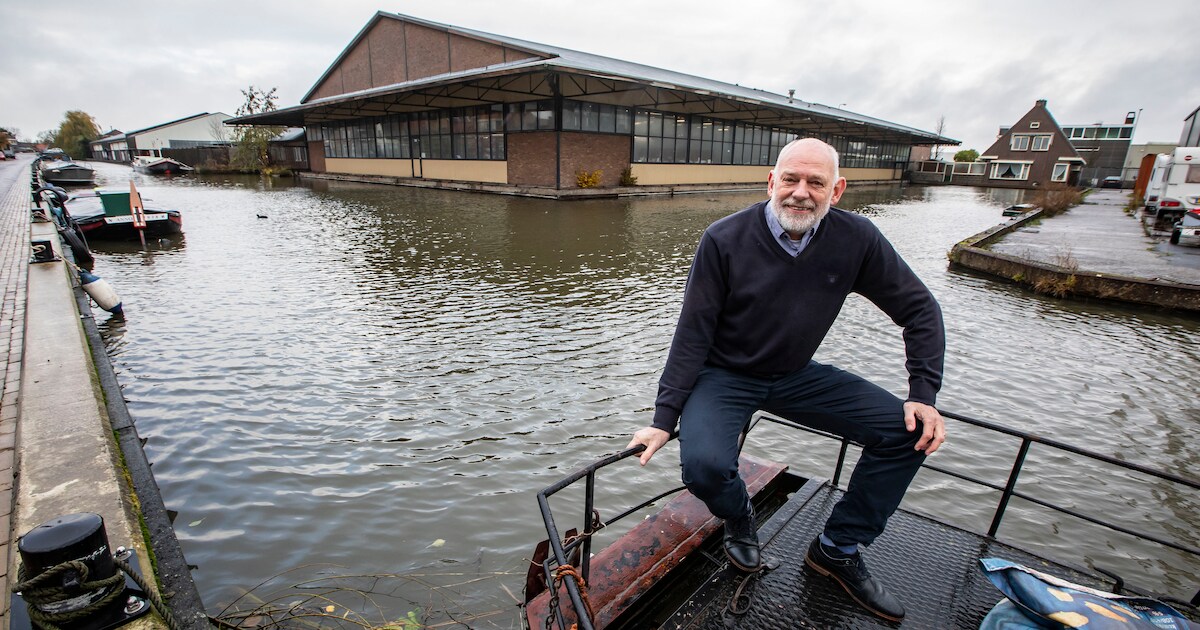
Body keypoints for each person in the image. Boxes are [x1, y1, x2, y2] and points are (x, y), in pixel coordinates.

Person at [627, 137, 946, 622]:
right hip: (725, 374)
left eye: (815, 182)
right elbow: (692, 333)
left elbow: (920, 309)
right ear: (771, 181)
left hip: (795, 374)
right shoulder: (724, 239)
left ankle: (836, 549)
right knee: (707, 468)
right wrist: (663, 417)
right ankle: (738, 517)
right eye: (791, 179)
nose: (801, 192)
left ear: (836, 190)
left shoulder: (856, 238)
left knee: (908, 434)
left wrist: (923, 394)